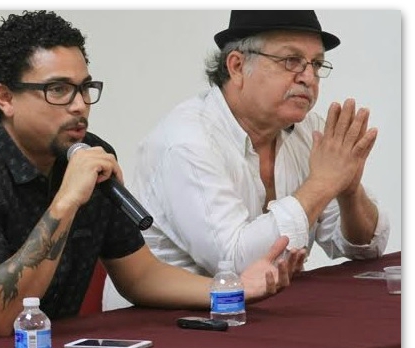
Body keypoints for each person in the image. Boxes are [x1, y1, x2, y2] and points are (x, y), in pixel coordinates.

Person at [0, 10, 304, 348]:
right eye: (58, 90)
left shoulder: (90, 153)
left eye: (85, 88)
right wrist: (66, 202)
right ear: (5, 98)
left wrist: (230, 289)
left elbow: (139, 276)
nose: (80, 105)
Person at [103, 10, 390, 311]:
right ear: (237, 66)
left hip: (262, 313)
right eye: (291, 60)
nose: (308, 77)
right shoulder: (186, 142)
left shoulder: (310, 131)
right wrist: (322, 184)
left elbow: (365, 249)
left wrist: (349, 190)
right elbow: (235, 265)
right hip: (164, 320)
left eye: (316, 64)